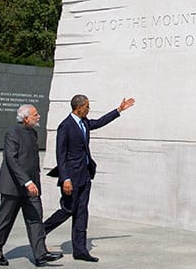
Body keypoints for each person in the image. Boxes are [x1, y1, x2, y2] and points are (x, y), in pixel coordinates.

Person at [44, 94, 136, 262]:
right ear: (78, 108)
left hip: (85, 175)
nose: (88, 109)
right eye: (86, 106)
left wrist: (119, 110)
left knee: (81, 213)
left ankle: (80, 250)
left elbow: (99, 122)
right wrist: (65, 178)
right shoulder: (65, 126)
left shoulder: (84, 122)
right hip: (71, 178)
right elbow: (60, 155)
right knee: (67, 210)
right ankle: (40, 232)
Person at [0, 104, 63, 267]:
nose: (38, 117)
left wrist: (34, 182)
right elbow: (11, 160)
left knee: (35, 219)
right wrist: (27, 182)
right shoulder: (12, 133)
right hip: (13, 187)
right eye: (35, 115)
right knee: (5, 221)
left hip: (31, 188)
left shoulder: (33, 133)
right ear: (25, 118)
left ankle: (40, 255)